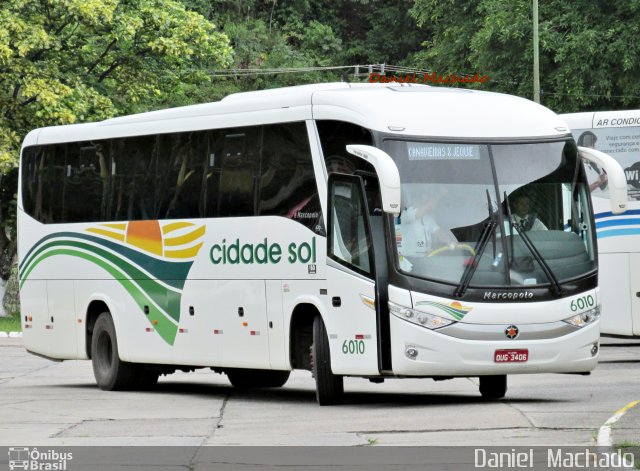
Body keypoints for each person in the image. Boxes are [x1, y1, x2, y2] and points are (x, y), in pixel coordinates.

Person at [396, 188, 457, 258]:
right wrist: (440, 195)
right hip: (408, 259)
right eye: (423, 200)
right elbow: (427, 208)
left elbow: (438, 232)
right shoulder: (406, 214)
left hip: (426, 259)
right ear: (415, 199)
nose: (425, 202)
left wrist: (449, 242)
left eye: (426, 200)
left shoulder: (428, 218)